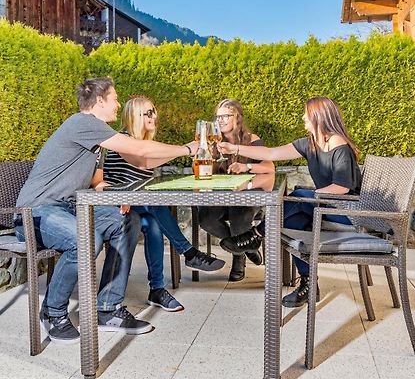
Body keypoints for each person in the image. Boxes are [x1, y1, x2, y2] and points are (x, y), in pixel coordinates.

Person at [15, 77, 199, 344]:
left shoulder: (96, 136)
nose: (118, 104)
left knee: (126, 221)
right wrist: (188, 149)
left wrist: (114, 193)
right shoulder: (82, 123)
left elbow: (96, 179)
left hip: (69, 208)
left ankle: (107, 309)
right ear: (99, 101)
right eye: (114, 98)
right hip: (36, 212)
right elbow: (139, 148)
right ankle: (53, 312)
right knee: (85, 239)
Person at [218, 96, 361, 306]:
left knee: (300, 196)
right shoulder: (310, 143)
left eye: (306, 114)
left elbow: (341, 188)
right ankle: (308, 285)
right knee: (293, 219)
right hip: (325, 207)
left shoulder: (339, 146)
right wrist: (235, 149)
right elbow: (271, 153)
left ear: (318, 117)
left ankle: (256, 235)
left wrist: (312, 196)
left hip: (347, 213)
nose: (303, 117)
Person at [94, 95, 226, 312]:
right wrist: (186, 149)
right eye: (148, 113)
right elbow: (143, 160)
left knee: (153, 223)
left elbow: (150, 161)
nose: (154, 116)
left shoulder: (143, 144)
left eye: (154, 111)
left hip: (135, 203)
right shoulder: (124, 139)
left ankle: (157, 289)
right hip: (114, 203)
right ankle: (188, 254)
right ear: (135, 116)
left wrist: (182, 153)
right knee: (154, 203)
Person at [198, 99, 274, 282]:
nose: (221, 120)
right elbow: (205, 167)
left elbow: (269, 167)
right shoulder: (212, 141)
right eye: (218, 117)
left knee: (239, 218)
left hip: (247, 196)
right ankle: (247, 248)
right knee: (206, 219)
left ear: (237, 118)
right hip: (222, 196)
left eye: (226, 116)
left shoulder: (251, 140)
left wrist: (246, 166)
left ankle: (238, 257)